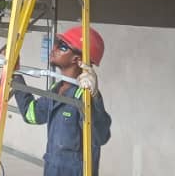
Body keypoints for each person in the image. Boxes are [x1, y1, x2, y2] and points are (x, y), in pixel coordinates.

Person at [12, 26, 112, 176]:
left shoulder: (85, 96)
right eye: (57, 43)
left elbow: (101, 136)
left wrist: (95, 97)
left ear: (77, 60)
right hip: (52, 169)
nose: (54, 49)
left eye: (62, 46)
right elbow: (31, 114)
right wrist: (15, 75)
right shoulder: (56, 89)